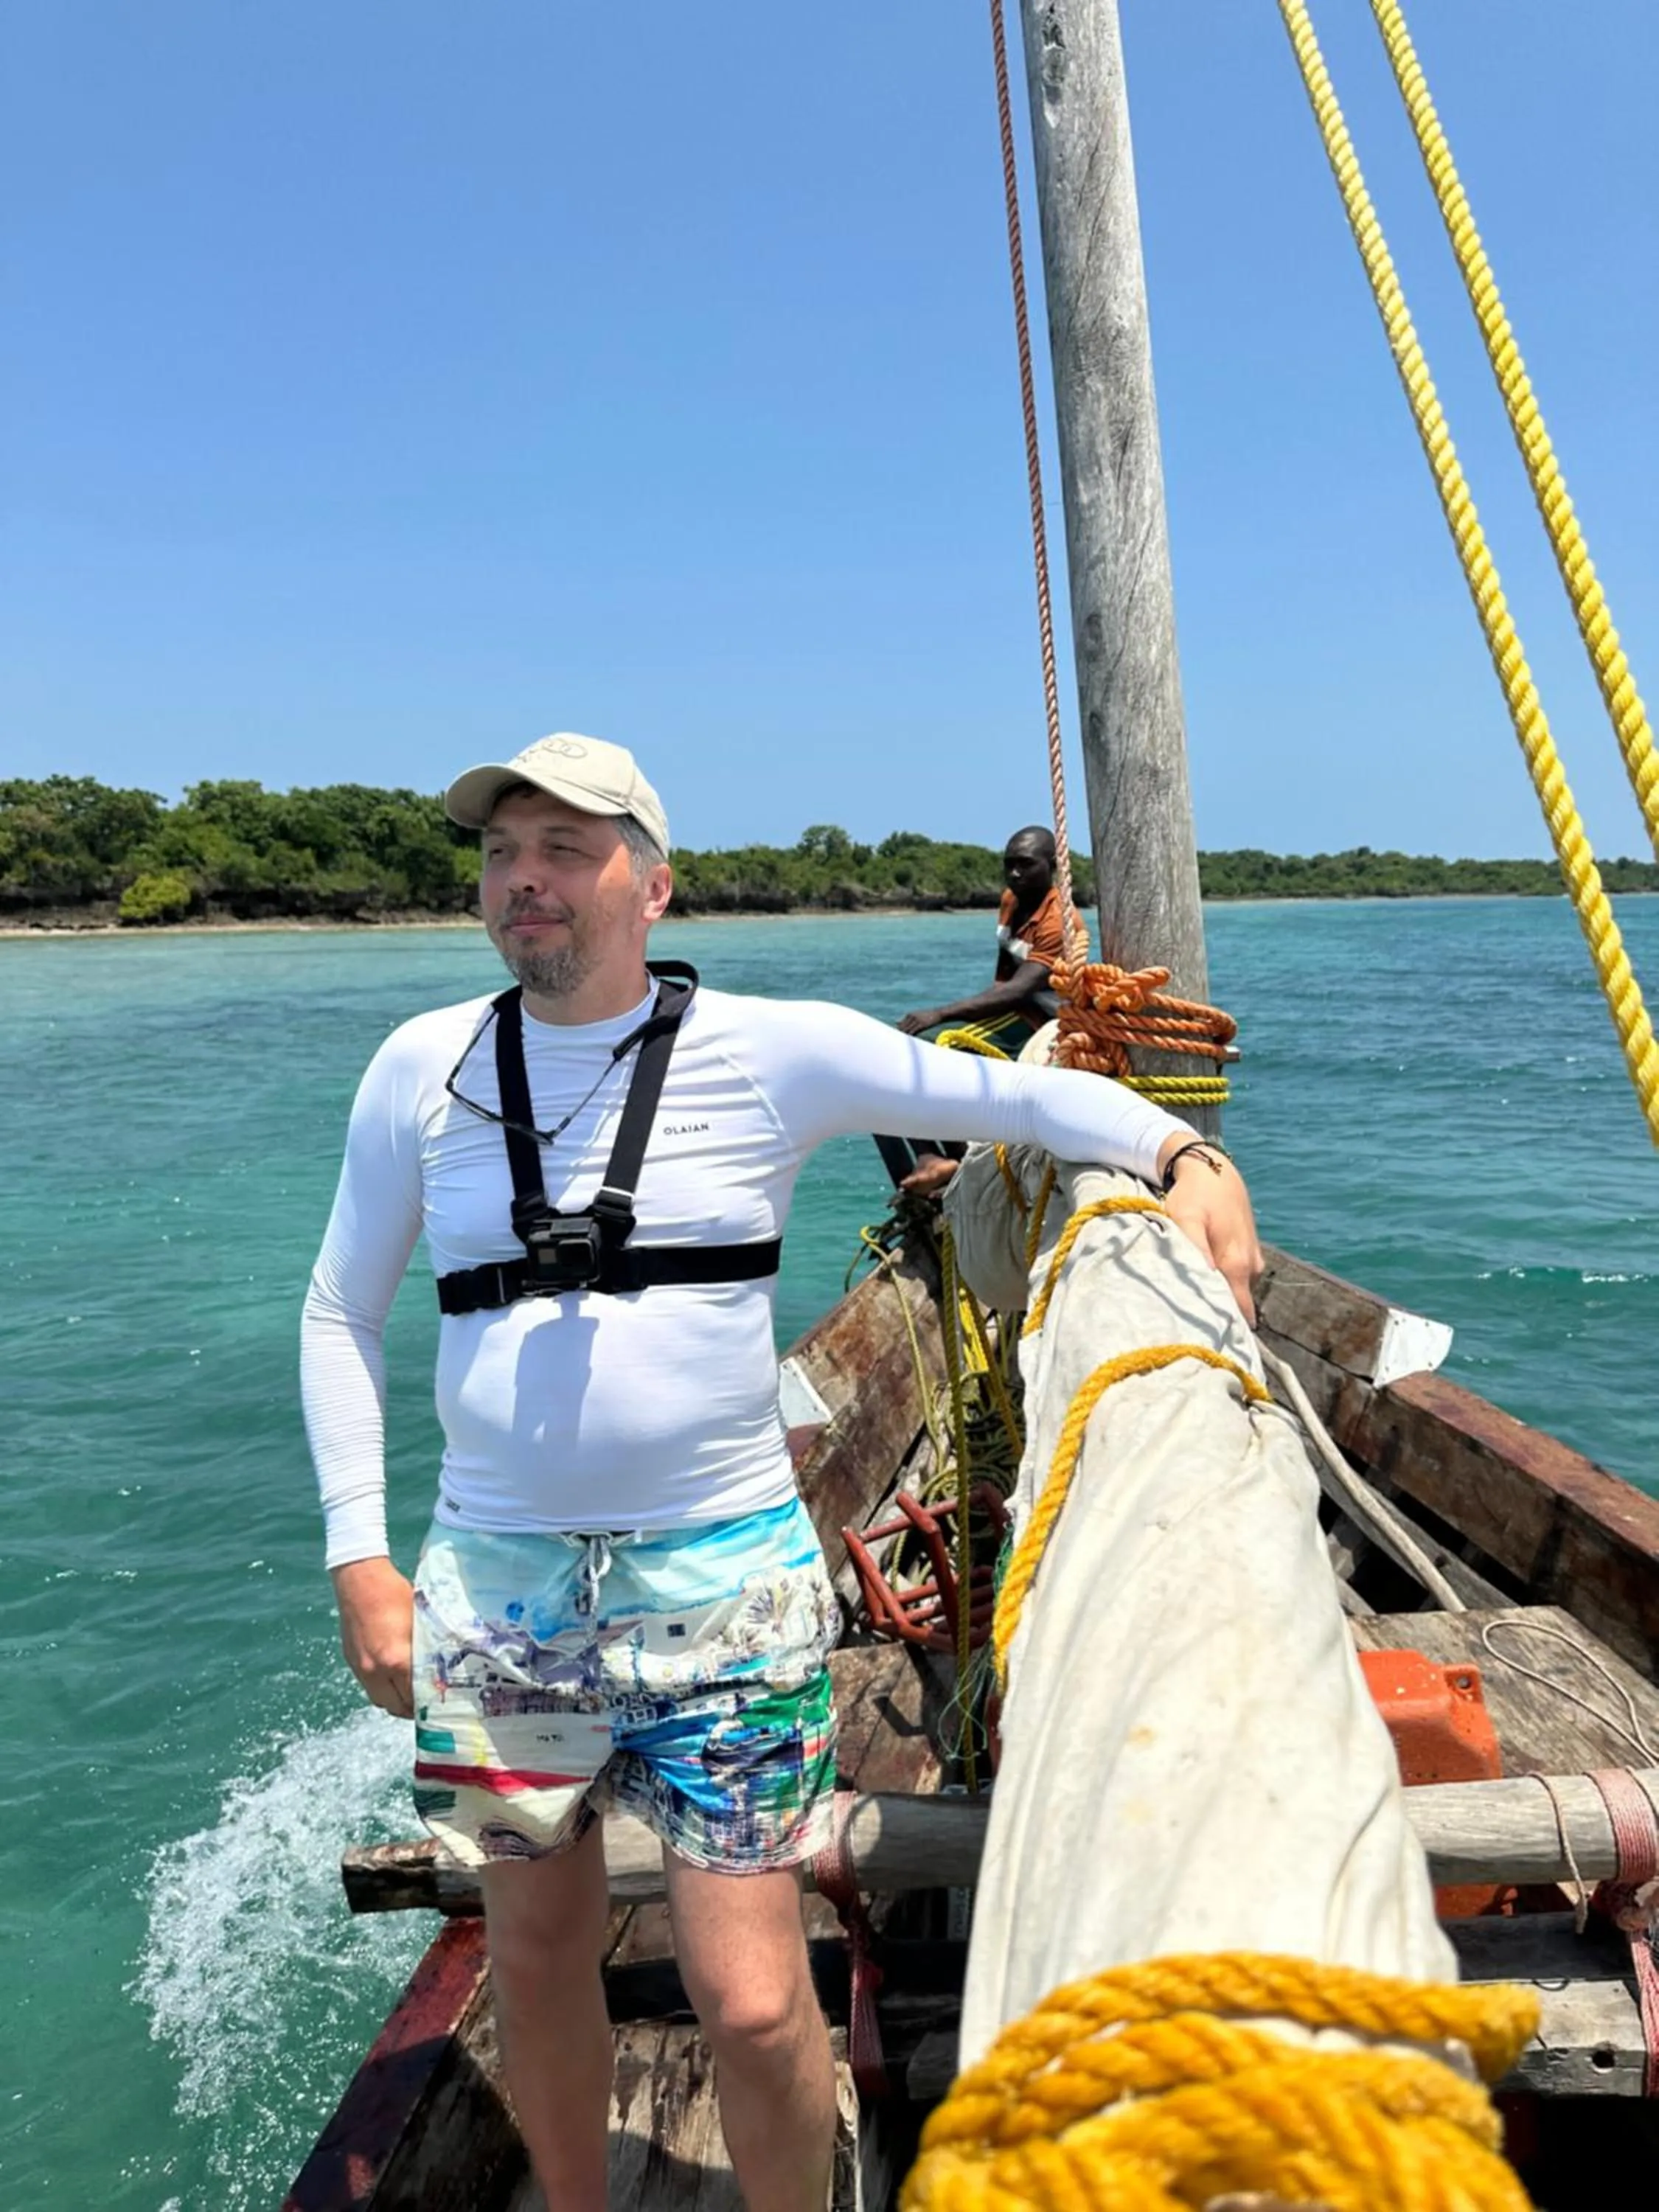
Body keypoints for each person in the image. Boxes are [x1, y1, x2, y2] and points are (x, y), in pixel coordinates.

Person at [301, 732, 1261, 2212]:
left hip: (725, 1585)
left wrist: (1183, 1157)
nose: (526, 879)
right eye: (504, 852)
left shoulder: (767, 1048)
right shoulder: (415, 1069)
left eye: (568, 848)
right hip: (497, 1598)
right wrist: (360, 1556)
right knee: (539, 1959)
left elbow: (1009, 1101)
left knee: (752, 2002)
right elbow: (338, 1313)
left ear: (655, 885)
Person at [896, 824, 1068, 1043]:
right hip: (1011, 1008)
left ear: (1053, 865)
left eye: (1026, 864)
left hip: (1045, 1020)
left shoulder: (1057, 922)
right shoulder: (1011, 899)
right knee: (917, 1033)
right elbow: (1006, 975)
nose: (1014, 874)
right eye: (1009, 865)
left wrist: (939, 1013)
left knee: (944, 1041)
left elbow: (1018, 989)